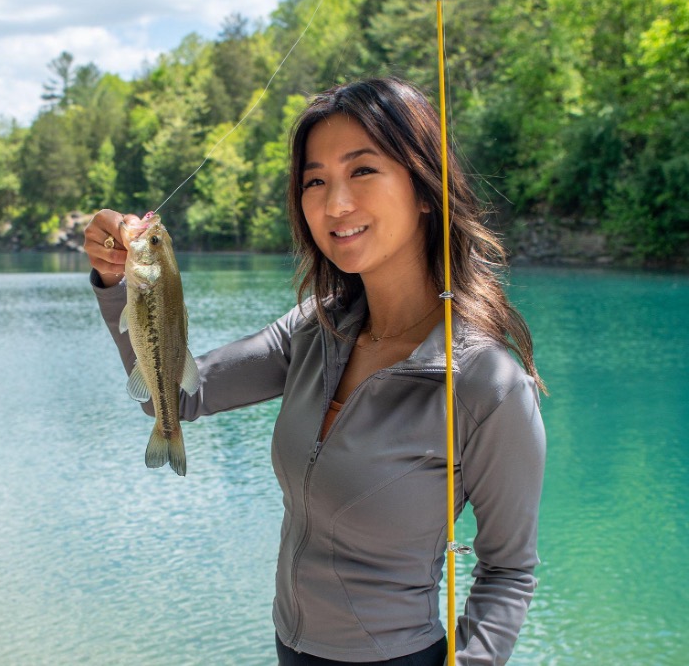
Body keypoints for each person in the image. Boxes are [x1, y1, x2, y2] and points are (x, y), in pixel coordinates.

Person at [85, 77, 546, 666]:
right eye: (315, 181)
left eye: (363, 171)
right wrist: (116, 282)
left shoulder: (488, 383)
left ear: (426, 189)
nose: (335, 205)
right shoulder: (314, 330)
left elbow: (508, 570)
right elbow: (174, 398)